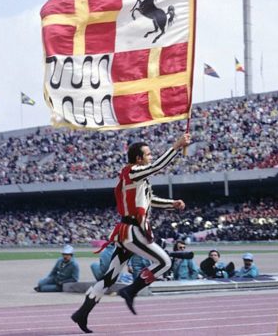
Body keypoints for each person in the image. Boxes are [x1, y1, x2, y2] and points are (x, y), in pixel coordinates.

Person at [71, 132, 191, 333]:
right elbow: (157, 166)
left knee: (110, 278)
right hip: (133, 231)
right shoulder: (132, 171)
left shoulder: (138, 178)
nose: (151, 156)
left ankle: (82, 312)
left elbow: (149, 199)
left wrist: (172, 203)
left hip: (125, 232)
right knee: (164, 262)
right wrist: (176, 146)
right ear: (138, 159)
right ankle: (131, 291)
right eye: (149, 154)